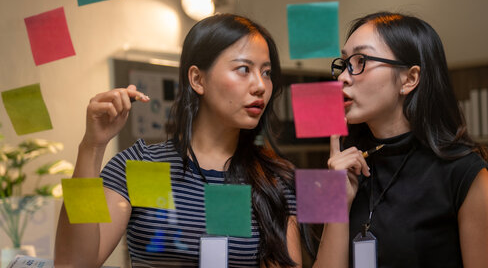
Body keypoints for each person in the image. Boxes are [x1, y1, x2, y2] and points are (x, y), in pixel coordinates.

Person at [54, 14, 303, 268]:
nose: (260, 85)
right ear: (197, 79)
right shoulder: (144, 168)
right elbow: (73, 264)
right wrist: (92, 146)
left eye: (267, 72)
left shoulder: (273, 178)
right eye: (243, 69)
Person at [324, 12, 488, 267]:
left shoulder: (466, 173)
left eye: (360, 60)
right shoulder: (340, 164)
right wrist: (335, 201)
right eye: (344, 63)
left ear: (409, 79)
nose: (342, 77)